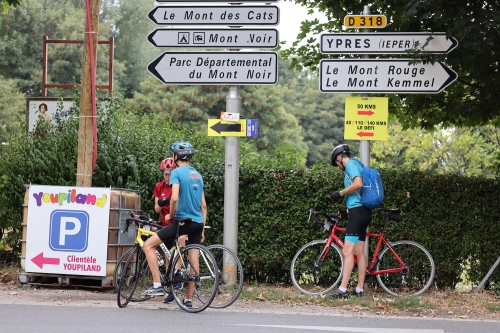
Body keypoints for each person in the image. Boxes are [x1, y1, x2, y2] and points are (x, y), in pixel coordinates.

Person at [143, 141, 207, 309]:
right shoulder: (198, 175)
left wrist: (171, 214)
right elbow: (204, 205)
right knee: (193, 260)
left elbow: (175, 198)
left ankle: (157, 285)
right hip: (198, 222)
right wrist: (202, 228)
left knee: (148, 245)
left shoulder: (177, 173)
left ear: (176, 156)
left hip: (183, 222)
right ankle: (188, 299)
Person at [328, 144, 372, 299]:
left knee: (347, 251)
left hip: (358, 214)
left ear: (339, 157)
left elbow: (358, 184)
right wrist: (346, 211)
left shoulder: (351, 165)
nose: (338, 166)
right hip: (362, 212)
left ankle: (342, 289)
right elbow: (357, 198)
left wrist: (339, 194)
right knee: (359, 252)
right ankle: (359, 289)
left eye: (336, 163)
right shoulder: (357, 165)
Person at [153, 157, 187, 303]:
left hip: (176, 223)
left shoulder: (177, 184)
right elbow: (156, 209)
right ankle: (170, 290)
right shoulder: (159, 186)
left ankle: (177, 280)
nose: (167, 177)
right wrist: (160, 204)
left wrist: (170, 204)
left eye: (169, 173)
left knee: (177, 251)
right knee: (168, 258)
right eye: (165, 174)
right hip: (164, 225)